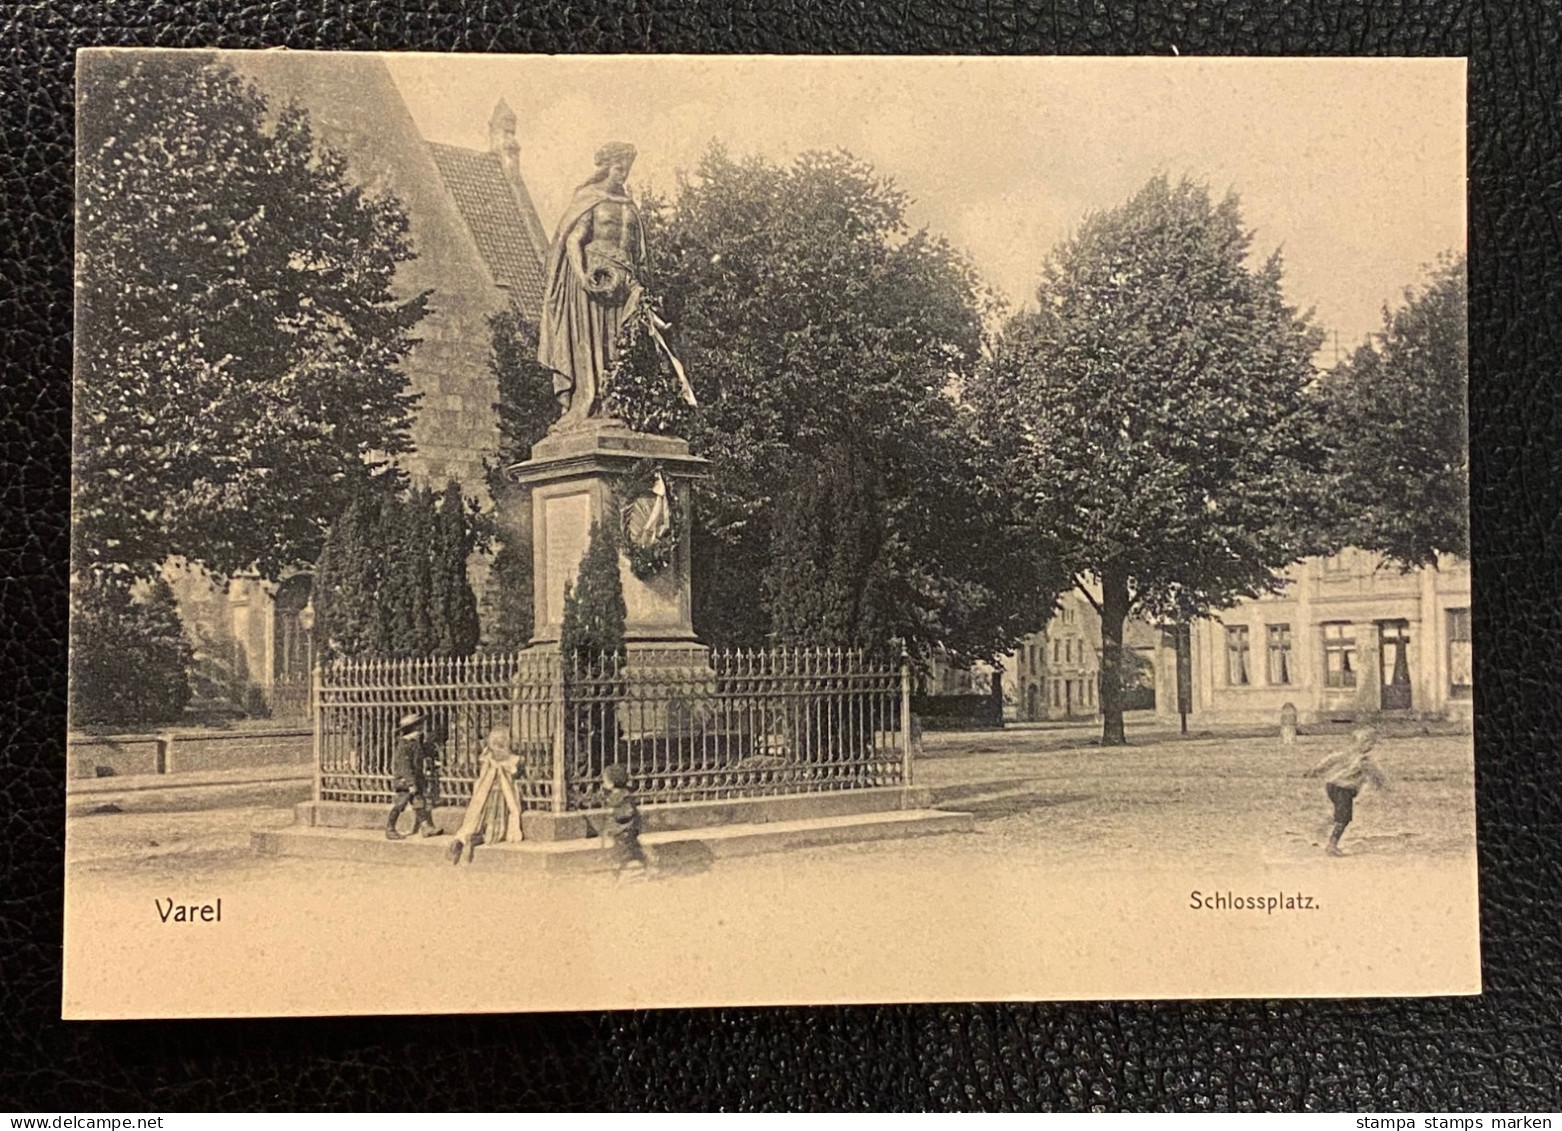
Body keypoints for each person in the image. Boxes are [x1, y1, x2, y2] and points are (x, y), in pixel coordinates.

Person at [536, 141, 693, 427]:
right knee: (597, 341)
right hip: (596, 281)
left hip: (627, 283)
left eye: (627, 169)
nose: (623, 175)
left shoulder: (630, 207)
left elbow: (639, 252)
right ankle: (594, 402)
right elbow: (574, 239)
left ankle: (622, 402)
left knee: (628, 341)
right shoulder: (590, 199)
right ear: (607, 168)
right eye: (619, 168)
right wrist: (582, 274)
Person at [447, 724, 526, 865]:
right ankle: (474, 839)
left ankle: (464, 839)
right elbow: (517, 776)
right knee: (495, 830)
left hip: (485, 795)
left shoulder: (487, 757)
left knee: (478, 821)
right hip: (502, 796)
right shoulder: (514, 759)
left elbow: (481, 775)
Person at [1304, 726, 1389, 856]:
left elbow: (1330, 760)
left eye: (1373, 744)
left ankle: (1323, 827)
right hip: (1343, 789)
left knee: (1340, 813)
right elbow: (1376, 775)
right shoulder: (1365, 761)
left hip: (1332, 786)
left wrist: (1316, 770)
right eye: (1370, 743)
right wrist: (1382, 786)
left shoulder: (1348, 754)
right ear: (1361, 743)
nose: (1371, 746)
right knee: (1344, 819)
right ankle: (1332, 845)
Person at [386, 711, 443, 840]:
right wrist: (411, 783)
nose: (421, 730)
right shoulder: (404, 746)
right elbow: (404, 766)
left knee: (419, 803)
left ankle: (426, 828)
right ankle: (390, 829)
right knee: (400, 804)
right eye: (419, 727)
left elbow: (423, 755)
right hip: (404, 781)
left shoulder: (414, 744)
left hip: (414, 780)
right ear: (412, 729)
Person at [601, 762, 650, 877]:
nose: (603, 783)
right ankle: (643, 863)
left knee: (623, 851)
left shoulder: (622, 795)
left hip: (625, 830)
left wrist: (614, 813)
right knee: (630, 849)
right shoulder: (616, 795)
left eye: (605, 781)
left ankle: (625, 870)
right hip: (621, 830)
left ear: (612, 783)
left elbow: (627, 812)